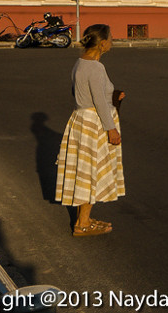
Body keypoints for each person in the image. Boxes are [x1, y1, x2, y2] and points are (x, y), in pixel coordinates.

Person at [55, 23, 125, 236]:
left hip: (81, 119)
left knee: (84, 171)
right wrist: (111, 129)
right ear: (102, 43)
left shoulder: (79, 63)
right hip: (94, 123)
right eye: (111, 38)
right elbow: (98, 103)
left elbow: (79, 93)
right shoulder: (96, 67)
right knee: (90, 172)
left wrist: (113, 97)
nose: (112, 41)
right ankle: (82, 224)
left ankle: (83, 219)